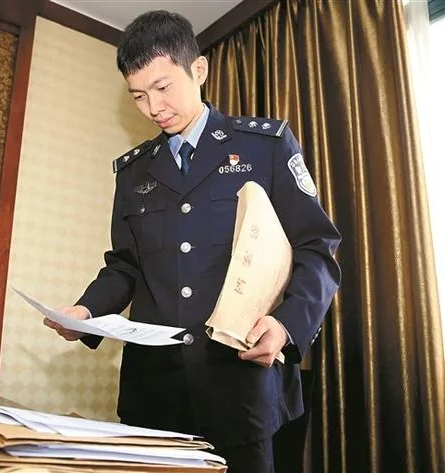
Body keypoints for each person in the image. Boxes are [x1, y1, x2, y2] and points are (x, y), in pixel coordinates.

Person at [43, 10, 341, 473]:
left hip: (240, 383)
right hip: (153, 394)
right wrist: (86, 312)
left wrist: (287, 326)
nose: (153, 107)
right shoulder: (134, 172)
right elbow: (125, 266)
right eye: (139, 96)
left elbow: (316, 248)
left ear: (198, 70)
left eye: (163, 87)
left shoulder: (265, 146)